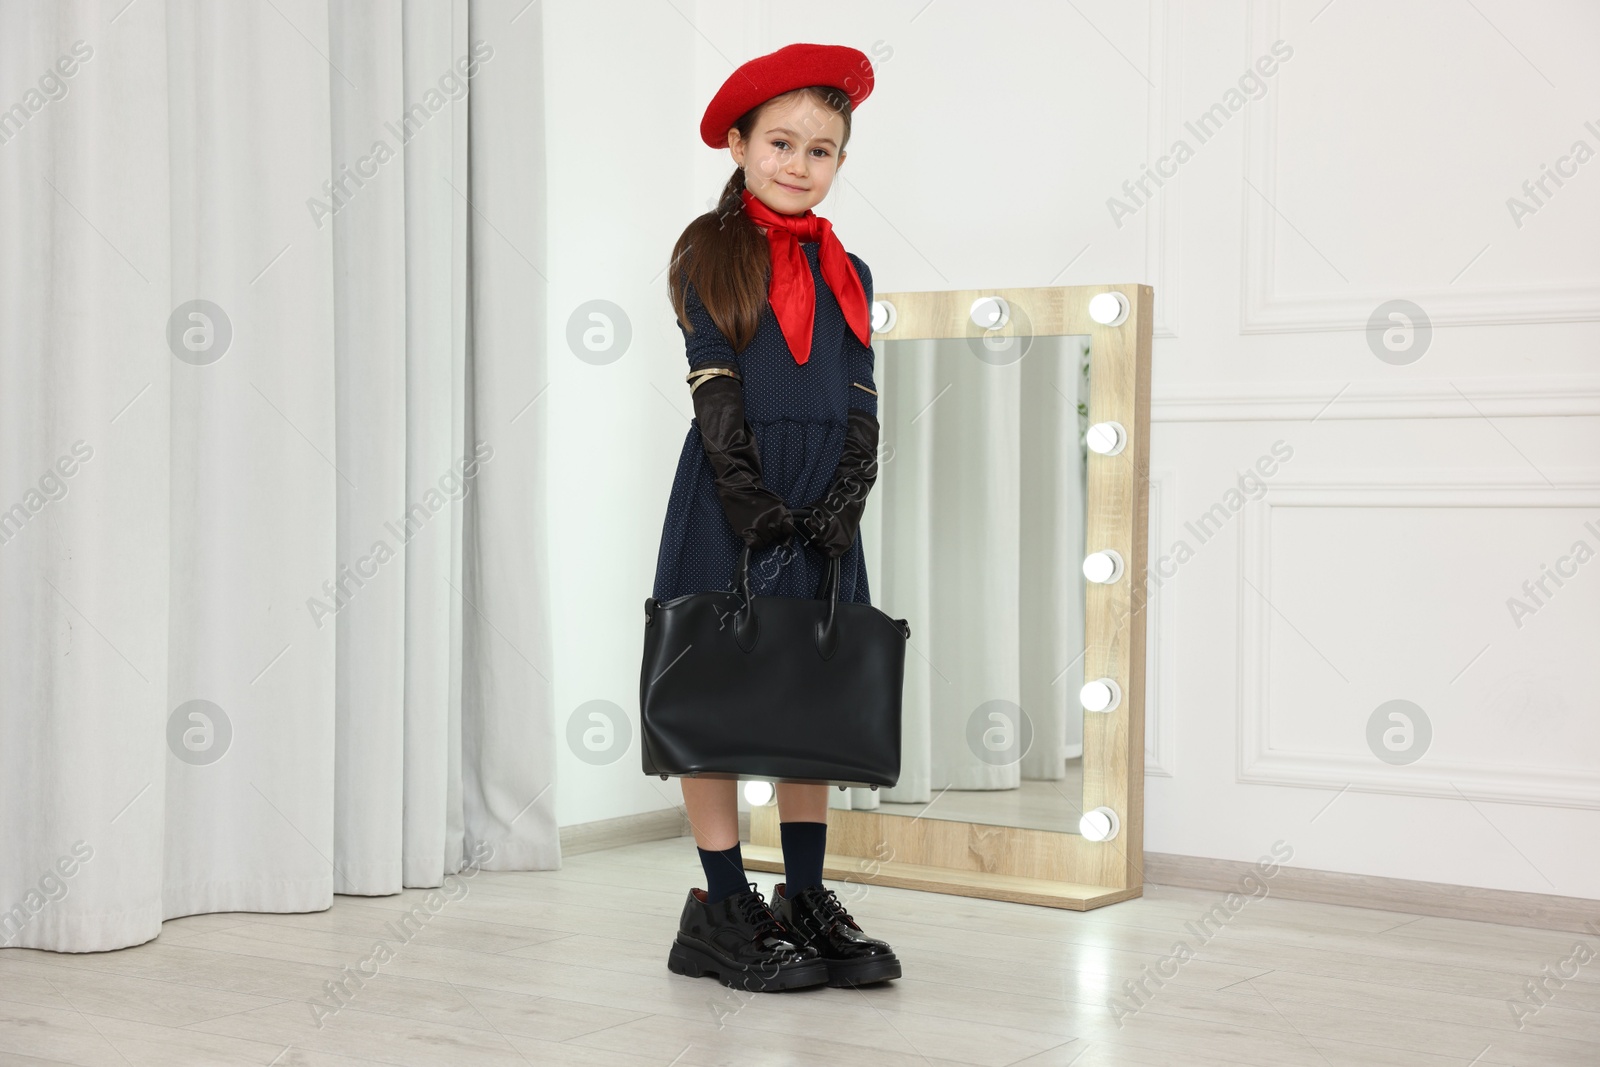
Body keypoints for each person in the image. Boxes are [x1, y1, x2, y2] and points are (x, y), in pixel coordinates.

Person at [652, 42, 902, 993]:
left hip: (823, 500)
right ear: (741, 146)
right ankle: (723, 903)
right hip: (734, 491)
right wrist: (751, 501)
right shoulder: (705, 253)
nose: (800, 164)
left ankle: (804, 894)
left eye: (822, 149)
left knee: (816, 690)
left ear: (840, 161)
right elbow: (712, 384)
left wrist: (846, 496)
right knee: (714, 687)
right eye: (782, 143)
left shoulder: (853, 269)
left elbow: (861, 394)